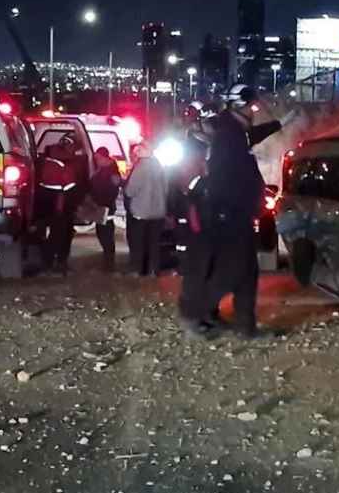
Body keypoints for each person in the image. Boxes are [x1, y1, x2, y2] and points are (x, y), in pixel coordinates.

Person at [178, 85, 294, 339]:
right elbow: (226, 178)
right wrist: (230, 210)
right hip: (228, 214)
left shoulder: (232, 130)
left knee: (247, 271)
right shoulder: (228, 136)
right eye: (251, 106)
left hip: (235, 213)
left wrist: (277, 125)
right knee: (232, 271)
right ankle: (194, 315)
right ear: (240, 105)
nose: (254, 111)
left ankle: (243, 326)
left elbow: (251, 136)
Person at [37, 134, 85, 275]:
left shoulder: (49, 161)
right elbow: (69, 188)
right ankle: (53, 265)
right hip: (60, 207)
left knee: (57, 235)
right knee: (59, 236)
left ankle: (53, 264)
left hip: (51, 206)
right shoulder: (62, 165)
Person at [124, 141, 168, 276]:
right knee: (153, 243)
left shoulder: (141, 167)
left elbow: (130, 190)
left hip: (141, 212)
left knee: (138, 243)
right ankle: (153, 270)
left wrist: (126, 190)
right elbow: (166, 189)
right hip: (158, 212)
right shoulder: (160, 165)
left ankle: (137, 270)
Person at [89, 147, 122, 271]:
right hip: (100, 206)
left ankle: (109, 262)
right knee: (101, 232)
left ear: (104, 158)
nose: (96, 161)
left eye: (98, 158)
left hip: (106, 208)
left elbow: (113, 190)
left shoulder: (112, 171)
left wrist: (102, 201)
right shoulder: (103, 169)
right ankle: (107, 260)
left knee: (106, 233)